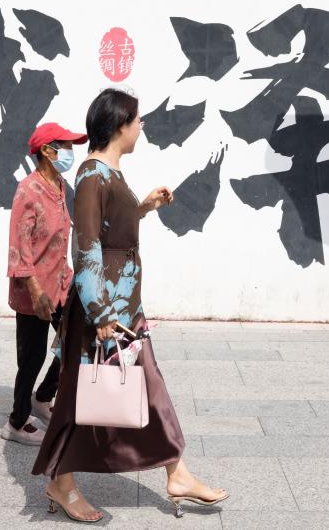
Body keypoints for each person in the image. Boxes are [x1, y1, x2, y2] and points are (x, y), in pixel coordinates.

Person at [33, 88, 228, 522]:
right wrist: (101, 313)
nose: (140, 127)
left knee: (144, 385)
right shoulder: (92, 175)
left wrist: (142, 208)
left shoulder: (108, 174)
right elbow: (86, 246)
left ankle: (176, 472)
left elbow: (110, 229)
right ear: (120, 124)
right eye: (137, 120)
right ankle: (62, 482)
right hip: (105, 311)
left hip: (123, 306)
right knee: (81, 396)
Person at [2, 121, 88, 446]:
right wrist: (35, 290)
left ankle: (43, 397)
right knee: (32, 357)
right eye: (65, 146)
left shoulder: (59, 185)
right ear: (48, 152)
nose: (70, 152)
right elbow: (18, 245)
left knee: (74, 341)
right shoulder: (28, 189)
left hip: (60, 284)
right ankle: (16, 421)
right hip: (34, 292)